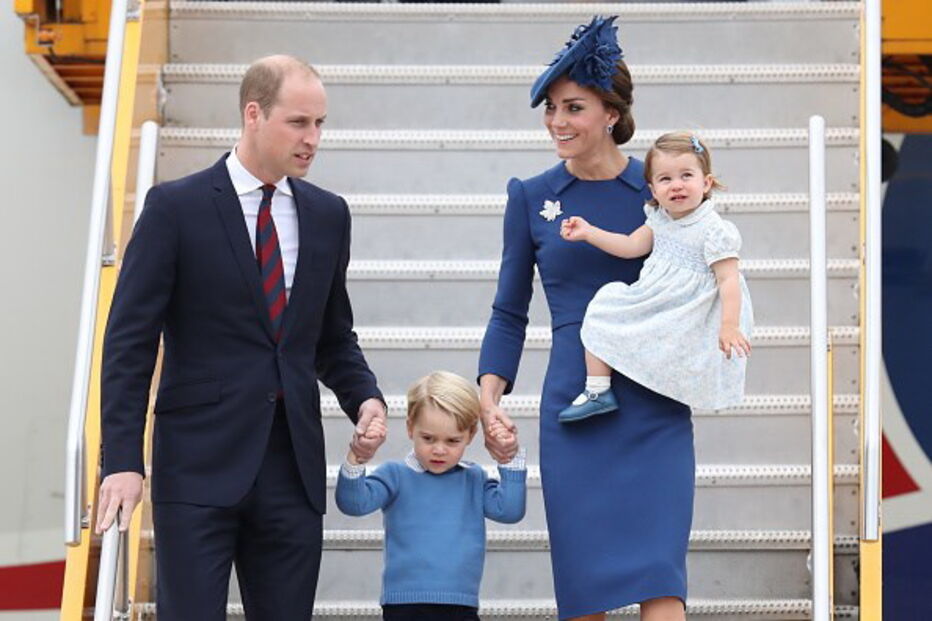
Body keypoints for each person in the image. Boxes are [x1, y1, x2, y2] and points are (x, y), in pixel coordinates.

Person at [96, 55, 388, 620]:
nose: (313, 139)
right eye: (299, 123)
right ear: (253, 114)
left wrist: (365, 398)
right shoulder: (174, 208)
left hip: (292, 472)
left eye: (320, 124)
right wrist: (122, 460)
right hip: (197, 468)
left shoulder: (329, 215)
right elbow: (129, 342)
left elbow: (331, 337)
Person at [478, 16, 694, 621]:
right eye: (550, 108)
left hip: (656, 401)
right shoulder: (530, 195)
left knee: (662, 580)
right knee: (584, 591)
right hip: (576, 405)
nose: (556, 122)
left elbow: (707, 272)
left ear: (610, 112)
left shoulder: (662, 190)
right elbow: (508, 309)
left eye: (573, 107)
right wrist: (489, 392)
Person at [557, 131, 753, 422]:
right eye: (665, 179)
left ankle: (663, 386)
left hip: (692, 311)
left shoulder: (714, 230)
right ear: (653, 189)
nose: (677, 185)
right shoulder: (659, 219)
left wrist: (729, 325)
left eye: (687, 175)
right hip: (658, 299)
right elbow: (630, 246)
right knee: (605, 306)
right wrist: (589, 232)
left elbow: (728, 280)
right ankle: (598, 390)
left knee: (676, 347)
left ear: (706, 182)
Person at [336, 371, 527, 621]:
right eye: (428, 438)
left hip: (461, 605)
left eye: (452, 440)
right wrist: (357, 458)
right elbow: (353, 504)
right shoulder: (395, 475)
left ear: (470, 435)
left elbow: (510, 510)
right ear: (409, 428)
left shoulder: (474, 478)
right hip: (404, 606)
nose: (439, 449)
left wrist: (508, 458)